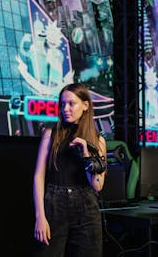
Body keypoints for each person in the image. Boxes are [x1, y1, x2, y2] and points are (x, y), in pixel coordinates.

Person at [33, 83, 107, 256]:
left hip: (86, 208)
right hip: (54, 206)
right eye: (62, 104)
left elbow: (97, 185)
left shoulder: (98, 141)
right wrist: (40, 217)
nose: (66, 108)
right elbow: (38, 177)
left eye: (71, 103)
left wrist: (87, 154)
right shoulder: (50, 135)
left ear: (85, 105)